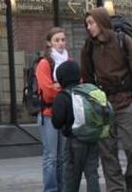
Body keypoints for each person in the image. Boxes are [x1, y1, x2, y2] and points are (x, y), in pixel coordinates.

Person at [79, 7, 132, 192]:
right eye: (87, 24)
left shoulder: (123, 41)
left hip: (127, 103)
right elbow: (86, 79)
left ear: (102, 22)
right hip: (103, 106)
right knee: (107, 153)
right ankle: (115, 189)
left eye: (92, 23)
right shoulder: (88, 47)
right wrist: (94, 104)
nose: (89, 27)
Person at [50, 60, 101, 192]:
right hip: (93, 139)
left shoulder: (62, 97)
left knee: (71, 177)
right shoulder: (88, 92)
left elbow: (57, 122)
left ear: (61, 78)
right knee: (92, 175)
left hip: (73, 141)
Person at [35, 26, 69, 192]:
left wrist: (59, 86)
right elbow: (48, 92)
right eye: (57, 40)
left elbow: (78, 83)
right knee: (51, 157)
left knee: (62, 157)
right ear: (49, 43)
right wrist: (64, 88)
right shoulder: (44, 63)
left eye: (63, 39)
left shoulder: (69, 62)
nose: (61, 43)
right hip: (48, 114)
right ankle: (51, 189)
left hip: (64, 115)